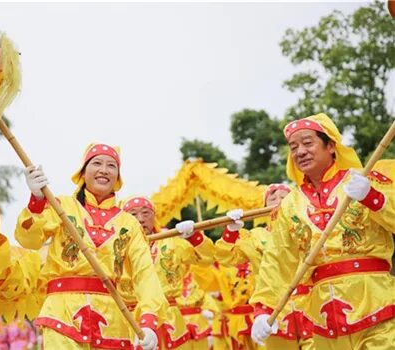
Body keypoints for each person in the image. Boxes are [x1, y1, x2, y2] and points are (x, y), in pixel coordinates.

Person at [250, 113, 395, 349]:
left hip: (376, 305)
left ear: (330, 146)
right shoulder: (290, 205)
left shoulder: (364, 181)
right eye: (294, 147)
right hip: (324, 319)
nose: (300, 152)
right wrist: (263, 308)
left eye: (308, 143)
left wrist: (373, 198)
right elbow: (277, 259)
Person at [15, 143, 168, 349]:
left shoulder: (128, 223)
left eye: (111, 166)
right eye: (97, 163)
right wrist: (37, 200)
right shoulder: (61, 205)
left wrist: (149, 320)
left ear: (118, 177)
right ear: (83, 172)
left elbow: (145, 273)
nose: (104, 170)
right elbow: (29, 240)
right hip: (63, 312)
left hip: (111, 319)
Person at [214, 184, 315, 350]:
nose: (278, 201)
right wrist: (231, 231)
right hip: (273, 306)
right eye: (273, 198)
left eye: (284, 197)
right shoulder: (255, 236)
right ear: (264, 206)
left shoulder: (308, 228)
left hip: (309, 303)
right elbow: (227, 257)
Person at [122, 195, 217, 349]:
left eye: (145, 213)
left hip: (169, 317)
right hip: (132, 318)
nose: (140, 219)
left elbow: (207, 258)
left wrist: (194, 237)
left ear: (154, 216)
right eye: (133, 215)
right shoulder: (117, 248)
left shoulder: (172, 242)